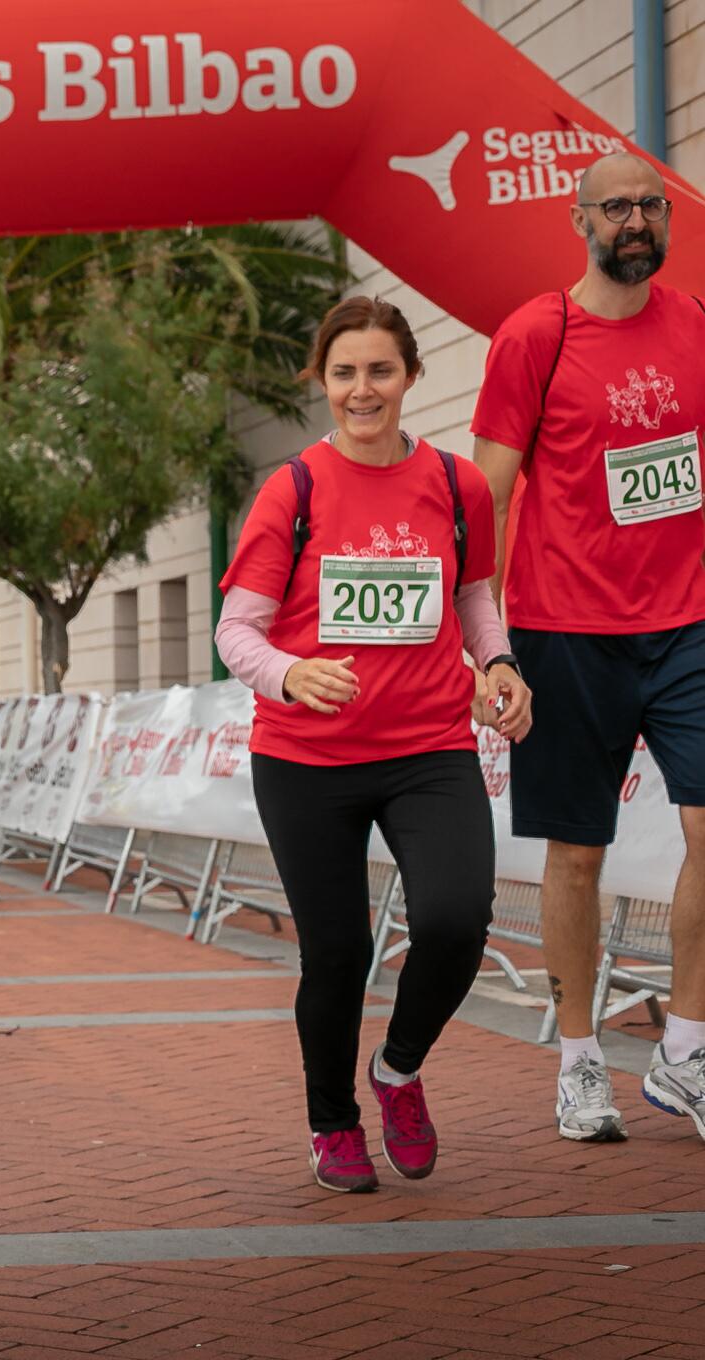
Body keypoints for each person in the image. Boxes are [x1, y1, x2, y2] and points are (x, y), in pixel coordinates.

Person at [216, 295, 530, 1193]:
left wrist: (499, 662)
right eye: (345, 372)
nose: (363, 390)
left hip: (428, 746)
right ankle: (331, 1122)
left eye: (380, 371)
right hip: (306, 759)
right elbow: (238, 630)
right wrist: (289, 673)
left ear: (410, 377)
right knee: (340, 953)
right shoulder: (295, 487)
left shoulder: (459, 483)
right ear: (322, 381)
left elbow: (474, 599)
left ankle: (396, 1070)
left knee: (455, 920)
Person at [472, 151, 705, 1146]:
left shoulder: (697, 323)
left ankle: (685, 1052)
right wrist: (490, 650)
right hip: (567, 629)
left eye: (651, 204)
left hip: (691, 621)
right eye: (616, 206)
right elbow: (487, 496)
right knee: (576, 855)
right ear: (579, 220)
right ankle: (577, 1063)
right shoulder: (537, 334)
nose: (637, 220)